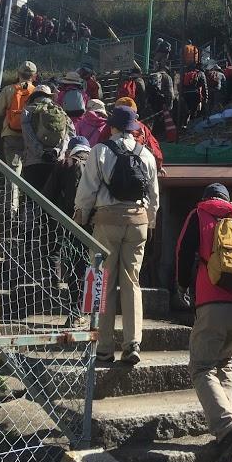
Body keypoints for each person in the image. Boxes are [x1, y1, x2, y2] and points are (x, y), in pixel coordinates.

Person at [175, 183, 232, 462]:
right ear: (228, 201)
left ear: (205, 198)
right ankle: (227, 432)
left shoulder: (198, 214)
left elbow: (183, 253)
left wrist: (183, 286)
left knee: (201, 367)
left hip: (212, 301)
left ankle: (228, 428)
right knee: (224, 364)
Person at [74, 105, 159, 365]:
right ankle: (133, 343)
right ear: (133, 128)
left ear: (111, 126)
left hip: (106, 222)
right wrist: (150, 223)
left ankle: (104, 346)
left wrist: (80, 218)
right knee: (132, 283)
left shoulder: (99, 151)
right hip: (138, 222)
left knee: (104, 282)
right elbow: (154, 196)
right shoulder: (146, 154)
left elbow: (86, 193)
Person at [43, 135, 91, 324]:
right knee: (94, 266)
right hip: (97, 223)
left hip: (70, 223)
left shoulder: (65, 164)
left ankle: (75, 310)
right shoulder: (99, 162)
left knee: (76, 265)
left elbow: (47, 195)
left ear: (71, 149)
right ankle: (93, 313)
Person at [0, 61, 38, 182]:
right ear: (34, 76)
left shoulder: (9, 90)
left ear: (18, 73)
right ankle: (30, 199)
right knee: (31, 170)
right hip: (32, 136)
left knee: (14, 171)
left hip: (12, 133)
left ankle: (12, 200)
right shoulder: (38, 92)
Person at [21, 85, 74, 192]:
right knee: (53, 200)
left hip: (33, 163)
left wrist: (42, 153)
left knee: (33, 200)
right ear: (49, 96)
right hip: (57, 162)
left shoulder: (28, 110)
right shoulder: (60, 112)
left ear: (33, 96)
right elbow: (70, 135)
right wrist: (57, 151)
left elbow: (28, 135)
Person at [112, 96, 164, 174]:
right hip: (138, 170)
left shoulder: (110, 127)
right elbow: (154, 149)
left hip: (115, 171)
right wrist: (159, 166)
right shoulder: (142, 128)